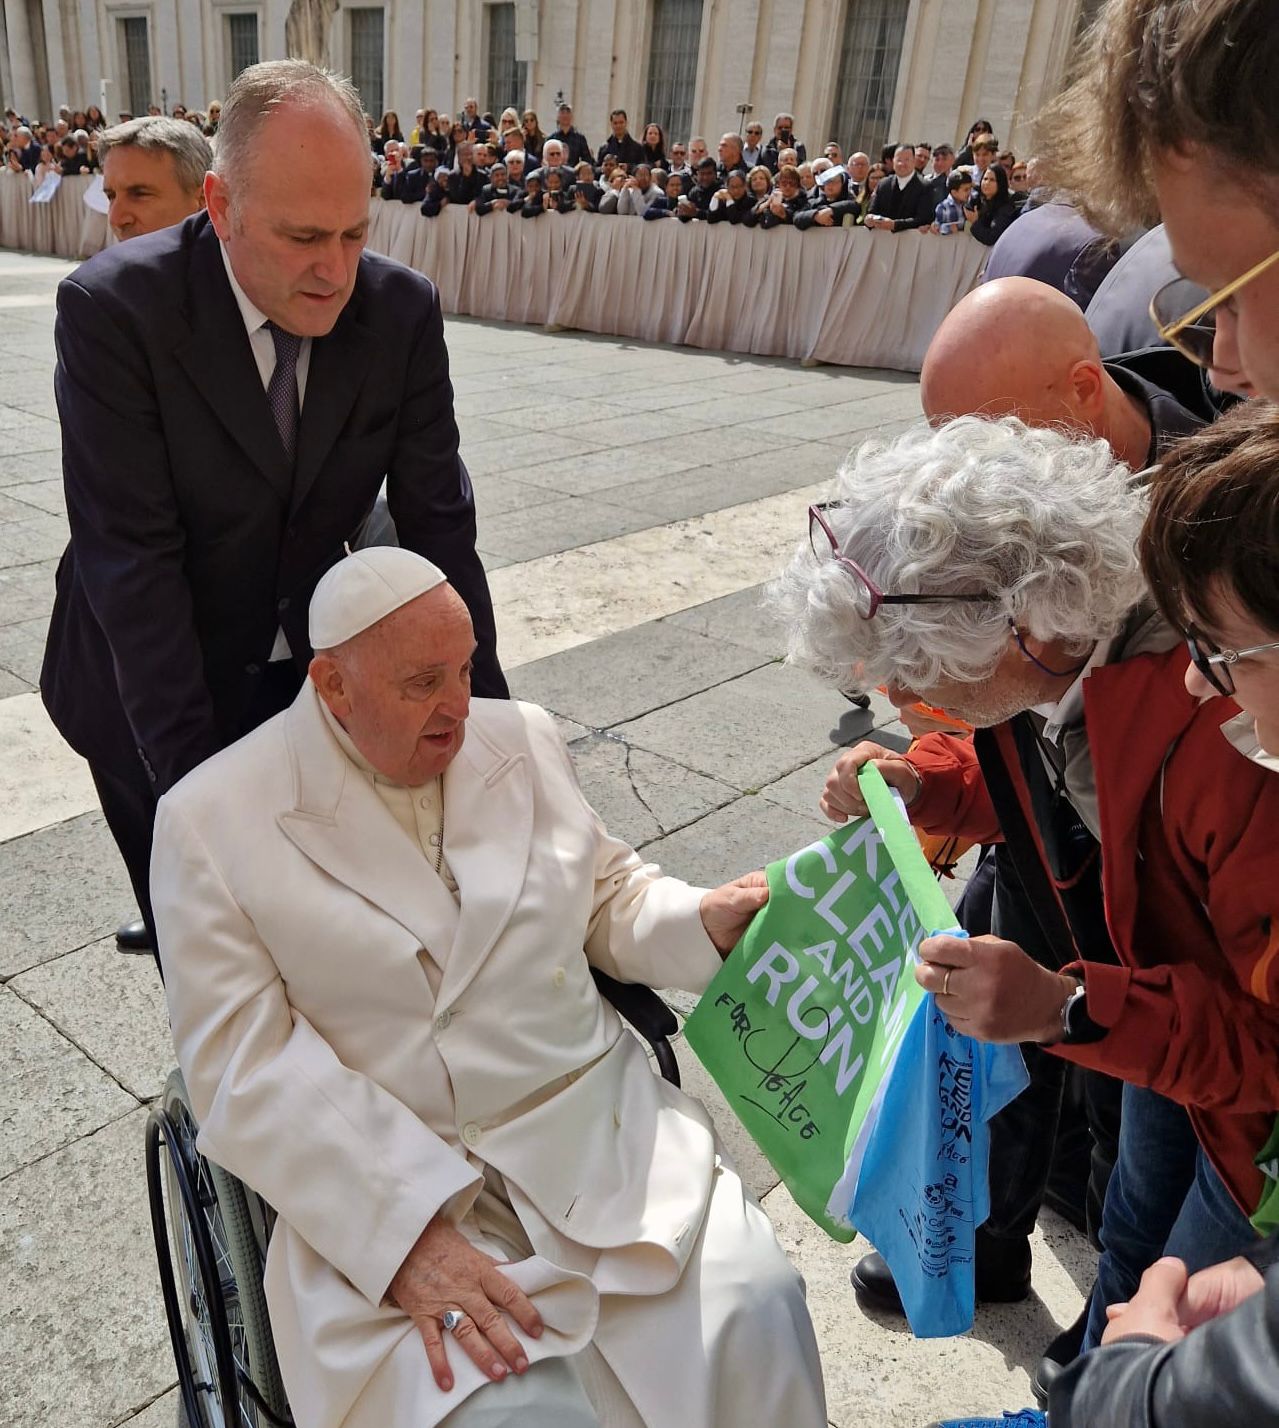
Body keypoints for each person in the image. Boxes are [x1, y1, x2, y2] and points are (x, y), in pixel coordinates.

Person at [152, 546, 827, 1428]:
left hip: (597, 1135)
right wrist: (400, 1238)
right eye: (423, 681)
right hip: (398, 1180)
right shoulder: (212, 818)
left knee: (755, 1309)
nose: (459, 705)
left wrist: (702, 919)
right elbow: (243, 1066)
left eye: (466, 667)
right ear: (332, 683)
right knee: (511, 1413)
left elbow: (608, 898)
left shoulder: (523, 737)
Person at [773, 418, 1279, 1408]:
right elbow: (1024, 754)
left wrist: (1062, 1010)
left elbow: (1263, 1042)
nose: (892, 690)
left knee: (1180, 1286)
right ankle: (1089, 1371)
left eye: (911, 665)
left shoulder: (1229, 726)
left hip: (1238, 1104)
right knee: (1129, 1206)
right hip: (1159, 1026)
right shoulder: (1063, 657)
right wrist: (922, 784)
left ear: (1029, 631)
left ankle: (1111, 1385)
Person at [39, 60, 505, 962]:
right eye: (300, 239)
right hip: (140, 682)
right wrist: (201, 801)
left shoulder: (398, 310)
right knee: (196, 915)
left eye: (353, 233)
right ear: (217, 205)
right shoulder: (115, 311)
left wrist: (482, 734)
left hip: (294, 667)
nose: (335, 271)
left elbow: (442, 528)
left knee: (316, 935)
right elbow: (133, 564)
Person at [864, 143, 934, 231]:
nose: (902, 164)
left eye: (907, 160)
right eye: (899, 160)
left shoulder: (925, 187)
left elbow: (923, 219)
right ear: (893, 161)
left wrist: (895, 225)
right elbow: (871, 211)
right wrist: (869, 219)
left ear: (913, 161)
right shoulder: (883, 184)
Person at [968, 163, 1020, 246]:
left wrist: (975, 223)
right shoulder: (977, 201)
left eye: (992, 180)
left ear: (1000, 183)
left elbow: (992, 238)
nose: (987, 183)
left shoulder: (1006, 208)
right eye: (985, 179)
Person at [794, 166, 860, 230]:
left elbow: (854, 206)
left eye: (834, 181)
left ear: (842, 184)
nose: (830, 185)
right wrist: (815, 216)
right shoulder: (815, 202)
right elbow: (797, 217)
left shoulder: (848, 200)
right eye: (827, 181)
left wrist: (830, 210)